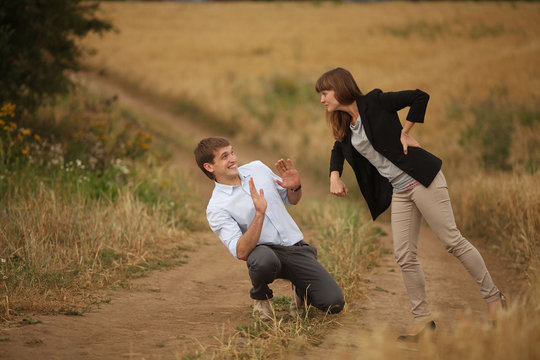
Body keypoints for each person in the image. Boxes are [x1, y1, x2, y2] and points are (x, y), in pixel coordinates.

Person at [315, 67, 506, 339]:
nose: (322, 100)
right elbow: (338, 148)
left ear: (340, 87)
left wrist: (406, 131)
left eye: (325, 93)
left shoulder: (376, 102)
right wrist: (335, 175)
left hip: (423, 179)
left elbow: (420, 96)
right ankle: (423, 324)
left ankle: (495, 301)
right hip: (400, 190)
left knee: (452, 241)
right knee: (404, 255)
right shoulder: (346, 123)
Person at [194, 137, 345, 320]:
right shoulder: (216, 207)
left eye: (232, 152)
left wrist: (295, 187)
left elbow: (292, 200)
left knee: (334, 303)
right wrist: (259, 214)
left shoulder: (257, 169)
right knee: (261, 261)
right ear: (209, 167)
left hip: (295, 247)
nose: (233, 158)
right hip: (265, 253)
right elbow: (241, 251)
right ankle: (261, 297)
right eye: (225, 156)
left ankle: (301, 291)